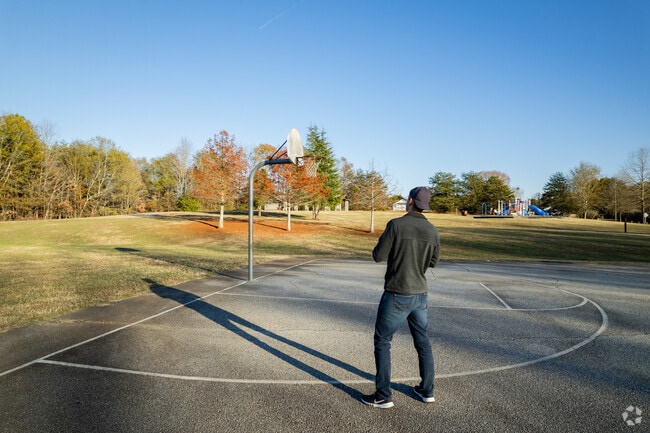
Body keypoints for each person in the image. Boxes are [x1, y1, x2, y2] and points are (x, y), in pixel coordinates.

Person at [361, 186, 440, 409]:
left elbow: (378, 256)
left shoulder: (396, 225)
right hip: (420, 294)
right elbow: (433, 263)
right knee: (423, 341)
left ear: (411, 201)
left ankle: (383, 395)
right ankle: (427, 390)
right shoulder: (432, 230)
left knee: (383, 342)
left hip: (397, 293)